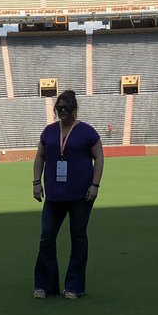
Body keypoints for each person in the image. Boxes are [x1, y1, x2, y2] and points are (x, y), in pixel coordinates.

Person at [32, 90, 103, 299]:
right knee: (46, 236)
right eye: (59, 108)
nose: (62, 111)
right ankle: (45, 285)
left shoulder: (87, 132)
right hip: (54, 194)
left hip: (81, 195)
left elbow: (99, 157)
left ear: (74, 109)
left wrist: (95, 185)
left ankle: (74, 286)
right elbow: (40, 156)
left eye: (66, 108)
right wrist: (36, 182)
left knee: (78, 238)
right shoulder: (49, 131)